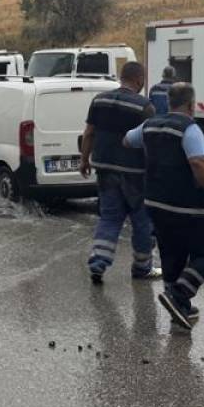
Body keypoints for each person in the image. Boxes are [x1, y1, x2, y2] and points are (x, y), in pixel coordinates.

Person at [123, 81, 204, 331]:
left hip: (156, 203)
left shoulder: (149, 125)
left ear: (169, 102)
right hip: (188, 206)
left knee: (172, 255)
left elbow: (127, 140)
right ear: (191, 105)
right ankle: (179, 295)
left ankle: (179, 309)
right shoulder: (190, 129)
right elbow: (199, 164)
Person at [79, 61, 160, 284]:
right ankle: (142, 267)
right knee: (142, 221)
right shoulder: (144, 107)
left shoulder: (99, 100)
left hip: (105, 170)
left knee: (110, 218)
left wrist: (84, 159)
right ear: (139, 80)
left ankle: (98, 263)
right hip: (135, 174)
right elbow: (150, 143)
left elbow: (88, 133)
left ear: (121, 77)